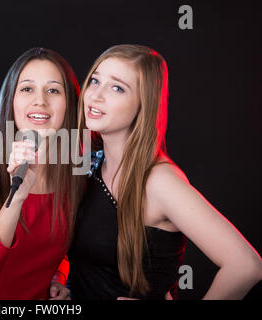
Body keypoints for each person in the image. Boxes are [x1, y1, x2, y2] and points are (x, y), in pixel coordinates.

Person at [68, 44, 262, 299]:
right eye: (95, 80)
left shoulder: (158, 181)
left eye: (117, 87)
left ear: (143, 104)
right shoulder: (92, 162)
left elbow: (246, 266)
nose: (95, 95)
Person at [0, 47, 84, 299]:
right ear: (10, 101)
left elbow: (61, 250)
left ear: (70, 104)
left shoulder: (75, 181)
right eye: (27, 89)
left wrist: (59, 277)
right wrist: (17, 196)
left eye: (53, 90)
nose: (40, 101)